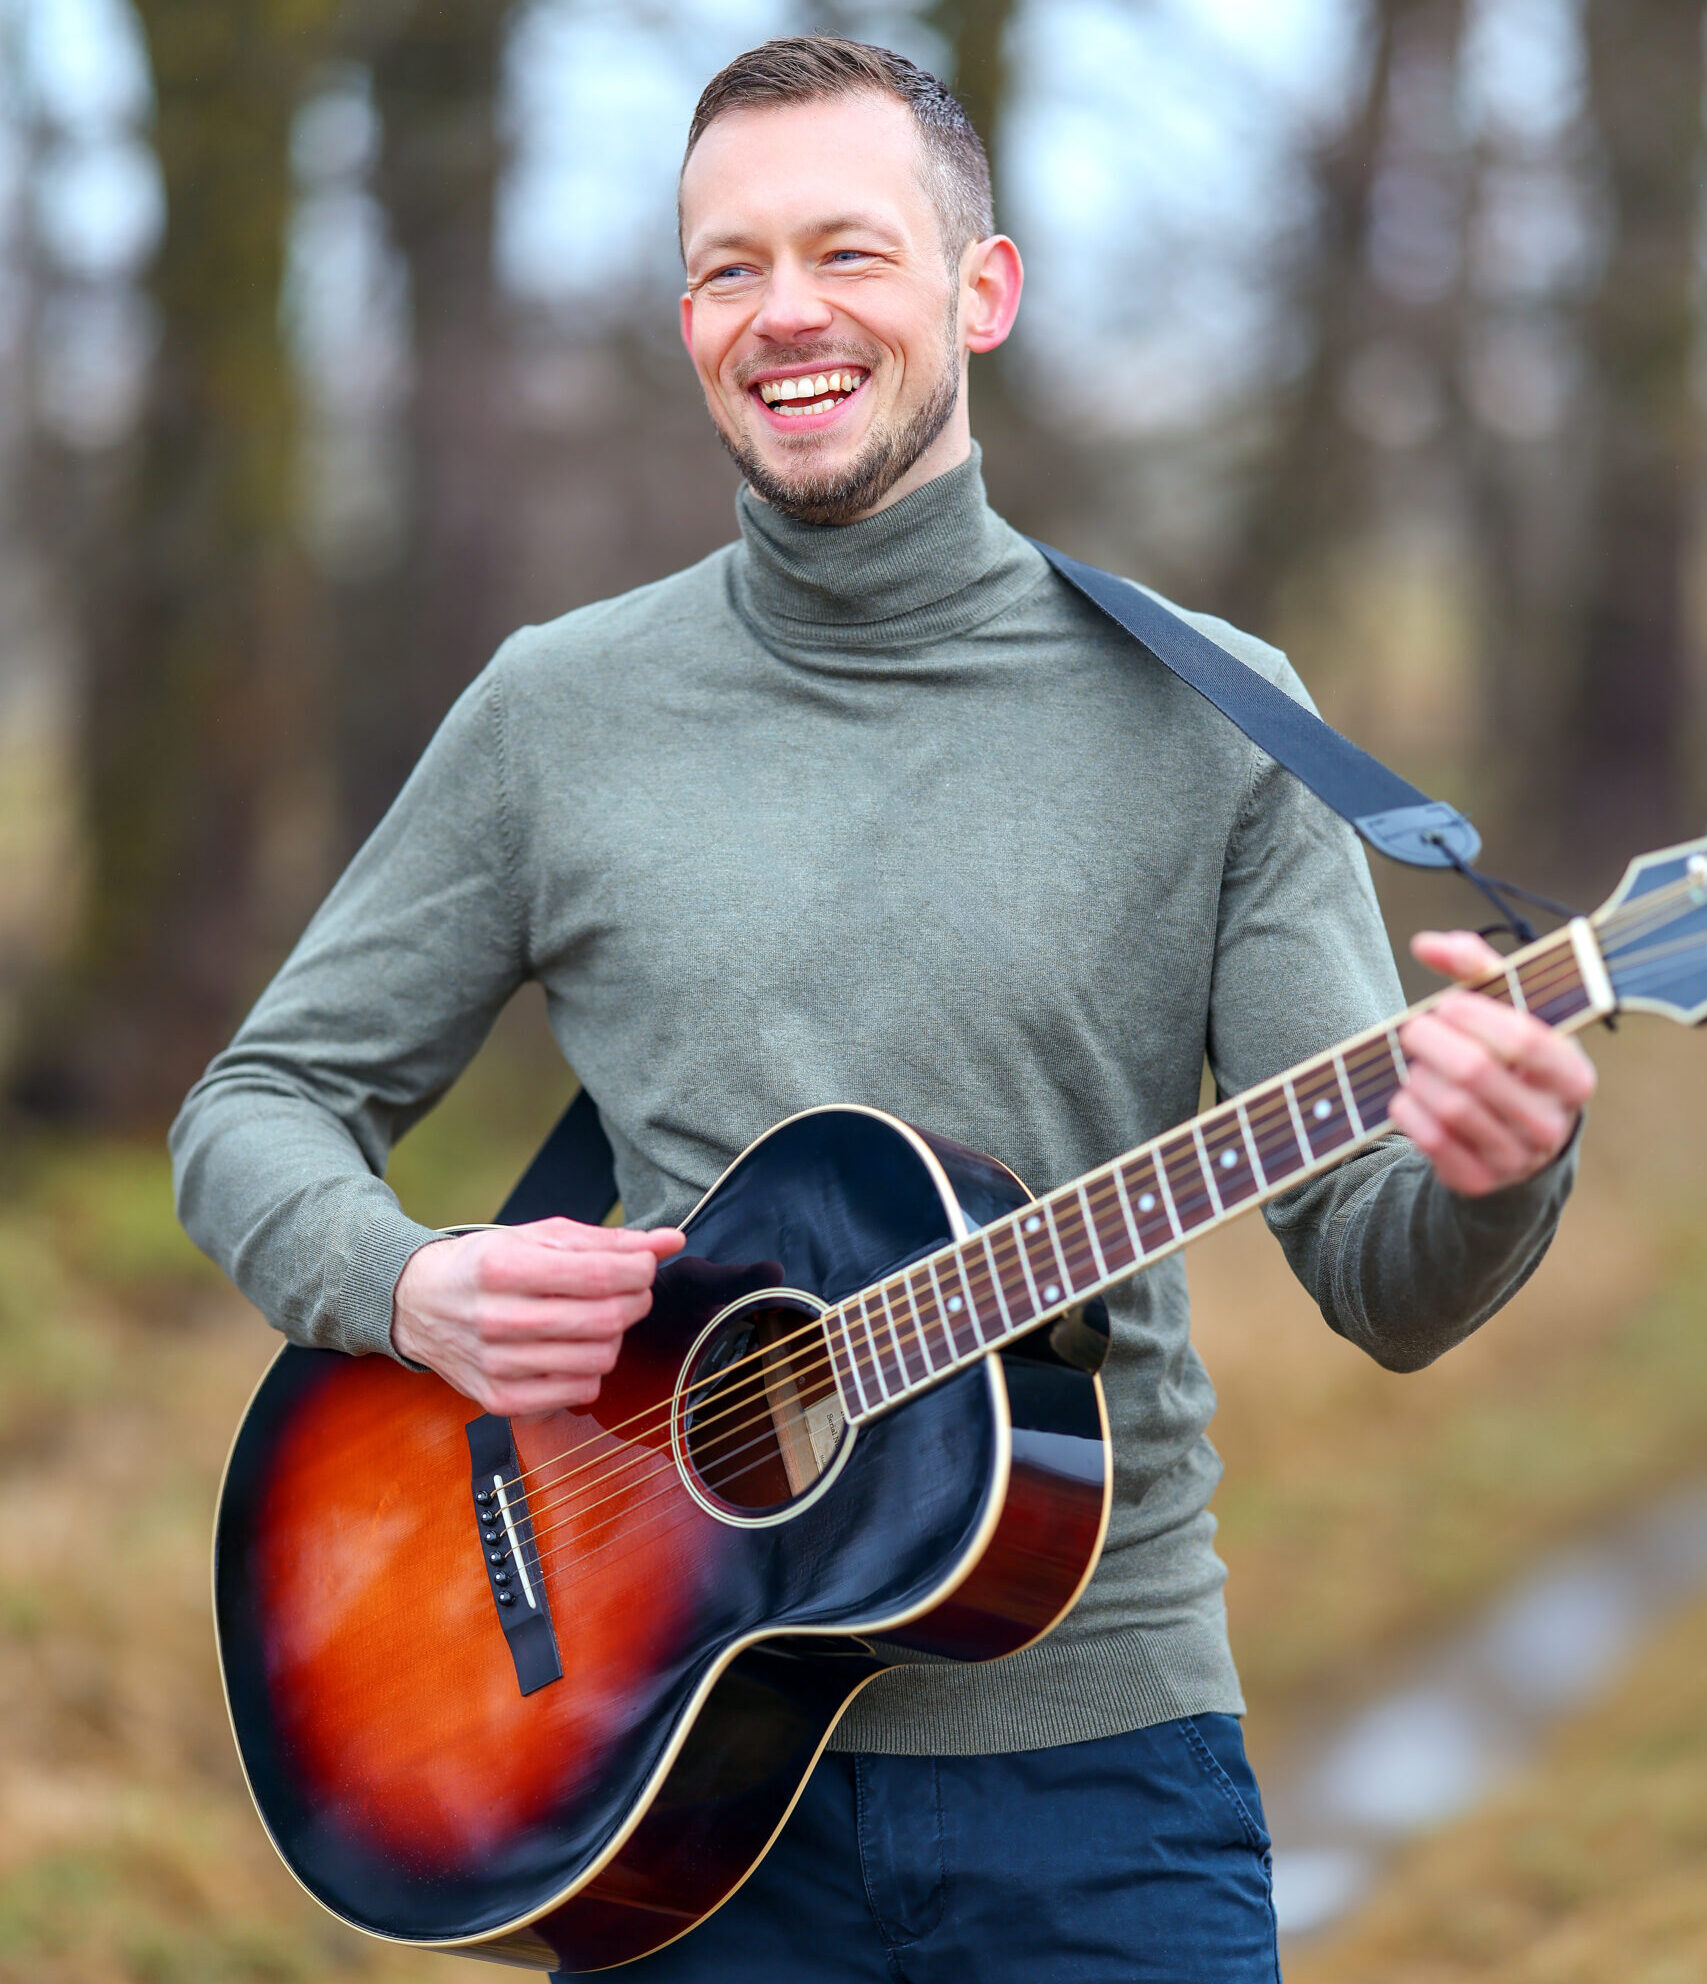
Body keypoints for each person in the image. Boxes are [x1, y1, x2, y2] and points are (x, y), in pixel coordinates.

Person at [172, 36, 1596, 1983]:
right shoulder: (555, 715)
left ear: (980, 289)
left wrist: (1499, 1166)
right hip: (663, 1779)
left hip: (1101, 1783)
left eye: (847, 251)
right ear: (688, 319)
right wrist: (410, 1283)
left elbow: (1378, 1273)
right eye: (729, 268)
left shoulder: (1213, 721)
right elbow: (254, 1108)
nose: (787, 315)